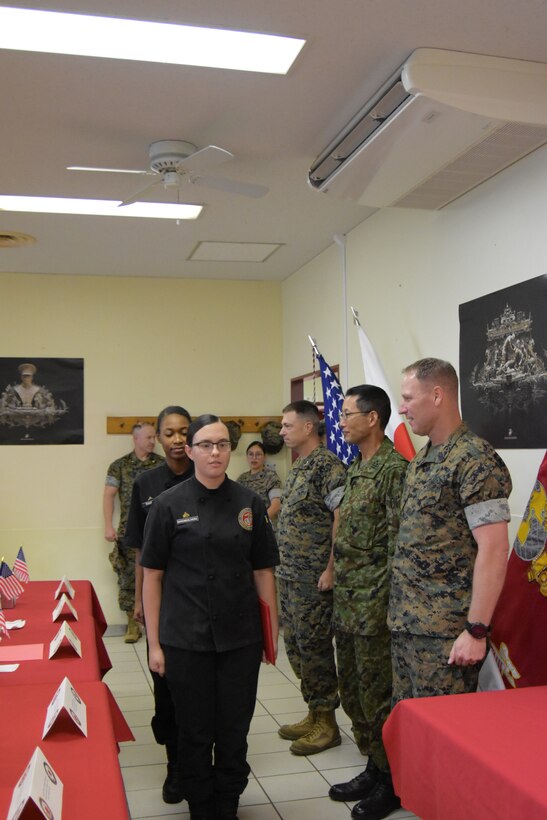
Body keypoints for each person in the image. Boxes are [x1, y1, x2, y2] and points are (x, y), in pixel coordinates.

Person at [141, 415, 279, 820]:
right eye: (205, 444)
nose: (215, 452)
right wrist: (154, 643)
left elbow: (263, 571)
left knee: (234, 730)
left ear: (229, 449)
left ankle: (228, 803)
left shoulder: (249, 503)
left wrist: (270, 636)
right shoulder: (168, 504)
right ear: (190, 450)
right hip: (186, 638)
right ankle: (201, 806)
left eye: (221, 444)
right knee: (195, 732)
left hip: (240, 638)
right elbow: (152, 576)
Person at [388, 358, 512, 707]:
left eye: (409, 398)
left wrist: (476, 630)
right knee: (409, 728)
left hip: (446, 635)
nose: (402, 408)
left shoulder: (475, 460)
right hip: (407, 625)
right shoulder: (421, 460)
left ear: (438, 395)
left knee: (441, 736)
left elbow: (494, 550)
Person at [328, 385, 408, 820]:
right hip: (348, 604)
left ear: (372, 419)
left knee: (379, 698)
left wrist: (391, 606)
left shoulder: (394, 470)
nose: (340, 421)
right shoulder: (357, 469)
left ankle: (392, 782)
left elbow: (399, 542)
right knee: (354, 695)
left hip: (375, 609)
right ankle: (374, 766)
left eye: (346, 413)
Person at [124, 406, 194, 804]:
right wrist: (137, 600)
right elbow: (141, 552)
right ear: (159, 438)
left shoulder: (210, 475)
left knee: (199, 691)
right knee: (166, 689)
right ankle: (175, 766)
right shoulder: (146, 483)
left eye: (185, 432)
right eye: (170, 433)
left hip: (200, 601)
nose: (178, 440)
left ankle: (202, 761)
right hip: (161, 602)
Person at [276, 400, 346, 755]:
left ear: (308, 427)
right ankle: (314, 711)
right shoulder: (301, 465)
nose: (282, 432)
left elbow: (340, 518)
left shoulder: (327, 466)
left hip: (313, 579)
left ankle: (328, 725)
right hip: (289, 576)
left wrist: (331, 569)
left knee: (315, 649)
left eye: (288, 426)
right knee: (297, 648)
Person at [103, 422, 163, 642]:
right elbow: (109, 494)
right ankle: (133, 624)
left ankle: (159, 622)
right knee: (129, 578)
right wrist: (108, 525)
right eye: (148, 437)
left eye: (153, 437)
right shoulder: (119, 466)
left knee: (161, 576)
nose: (152, 441)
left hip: (158, 530)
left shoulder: (162, 465)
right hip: (130, 530)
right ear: (135, 439)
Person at [236, 440, 282, 524]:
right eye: (251, 454)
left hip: (265, 527)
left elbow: (276, 505)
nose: (254, 458)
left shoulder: (271, 477)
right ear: (247, 457)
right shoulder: (242, 479)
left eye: (258, 454)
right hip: (245, 527)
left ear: (264, 457)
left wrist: (259, 522)